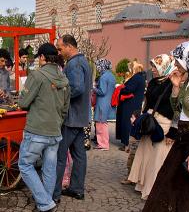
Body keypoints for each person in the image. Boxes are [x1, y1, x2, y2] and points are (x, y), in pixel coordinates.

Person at [18, 43, 70, 212]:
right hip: (55, 131)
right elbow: (65, 109)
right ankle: (46, 202)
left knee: (25, 165)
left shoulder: (37, 75)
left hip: (37, 130)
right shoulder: (64, 79)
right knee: (49, 168)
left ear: (42, 57)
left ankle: (45, 203)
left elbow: (23, 103)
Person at [143, 42, 189, 211]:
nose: (176, 66)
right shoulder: (187, 83)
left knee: (185, 191)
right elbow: (177, 109)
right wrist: (177, 88)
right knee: (166, 184)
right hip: (182, 138)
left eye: (179, 63)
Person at [127, 54, 175, 199]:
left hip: (164, 124)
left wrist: (173, 131)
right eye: (153, 66)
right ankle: (143, 184)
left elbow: (176, 109)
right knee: (146, 155)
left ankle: (153, 189)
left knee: (156, 159)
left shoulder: (172, 83)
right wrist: (140, 118)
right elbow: (147, 102)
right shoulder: (154, 82)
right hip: (150, 122)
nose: (153, 69)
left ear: (164, 66)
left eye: (156, 66)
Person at [53, 34, 92, 202]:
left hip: (71, 117)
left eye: (60, 49)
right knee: (79, 155)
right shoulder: (83, 62)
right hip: (80, 116)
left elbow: (77, 88)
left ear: (69, 46)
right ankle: (77, 189)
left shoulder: (74, 63)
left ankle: (53, 194)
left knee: (60, 156)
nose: (59, 52)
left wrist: (59, 93)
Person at [116, 60, 146, 151]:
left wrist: (120, 89)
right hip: (134, 103)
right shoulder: (140, 77)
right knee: (131, 123)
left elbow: (129, 89)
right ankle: (128, 144)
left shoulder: (136, 77)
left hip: (130, 104)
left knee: (127, 124)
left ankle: (127, 145)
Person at [93, 59, 116, 150]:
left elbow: (102, 91)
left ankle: (103, 144)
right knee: (103, 123)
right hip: (108, 102)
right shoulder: (111, 76)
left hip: (102, 102)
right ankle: (103, 143)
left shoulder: (103, 77)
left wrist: (93, 88)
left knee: (100, 124)